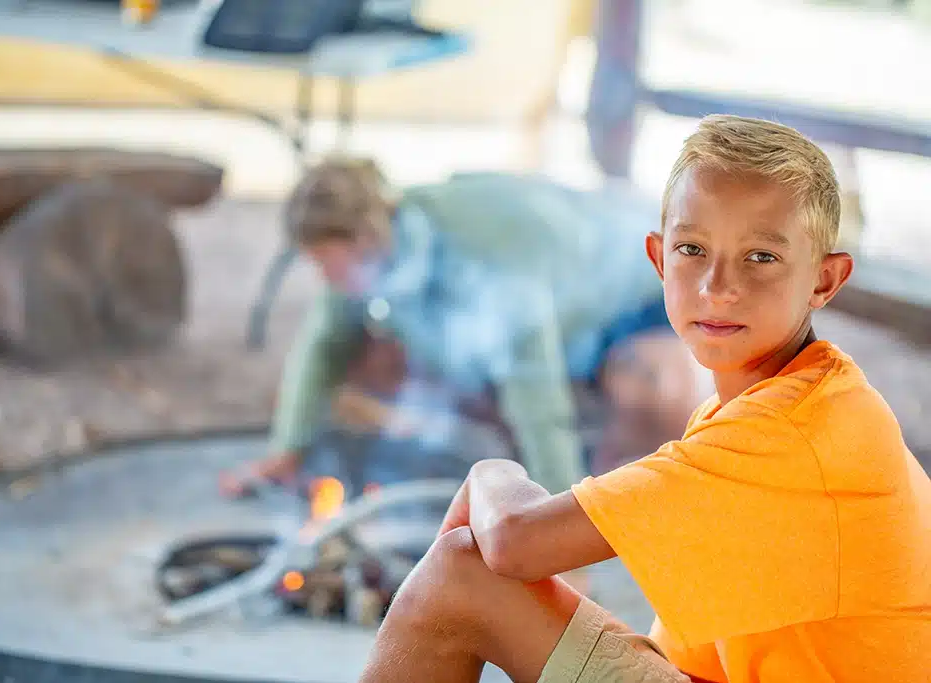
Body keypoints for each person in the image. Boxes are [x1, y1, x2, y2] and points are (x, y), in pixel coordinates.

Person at [356, 115, 931, 683]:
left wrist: (490, 471)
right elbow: (685, 660)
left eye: (762, 257)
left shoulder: (790, 430)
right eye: (693, 250)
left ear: (824, 281)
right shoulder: (781, 397)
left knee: (462, 574)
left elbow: (513, 541)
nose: (717, 287)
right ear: (659, 260)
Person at [220, 160, 709, 498]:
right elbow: (323, 343)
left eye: (327, 263)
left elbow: (536, 393)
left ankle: (621, 455)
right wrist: (287, 450)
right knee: (369, 365)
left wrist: (566, 536)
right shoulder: (370, 250)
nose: (324, 278)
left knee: (649, 393)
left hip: (634, 291)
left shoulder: (485, 259)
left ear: (365, 238)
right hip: (550, 314)